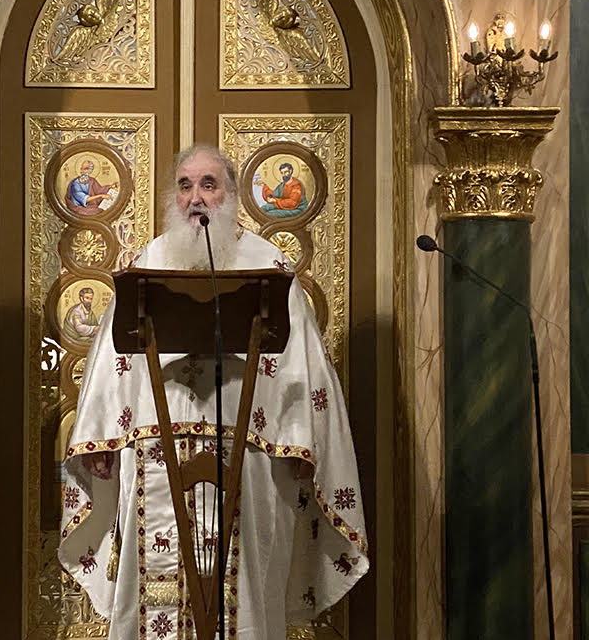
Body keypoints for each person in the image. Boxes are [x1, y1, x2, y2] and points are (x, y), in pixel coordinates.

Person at [58, 145, 367, 638]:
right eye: (185, 185)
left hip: (251, 453)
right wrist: (100, 438)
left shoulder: (268, 266)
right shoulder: (149, 262)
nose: (196, 197)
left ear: (232, 195)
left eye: (209, 184)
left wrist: (302, 440)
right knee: (149, 589)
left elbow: (303, 367)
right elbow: (113, 360)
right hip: (155, 450)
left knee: (248, 585)